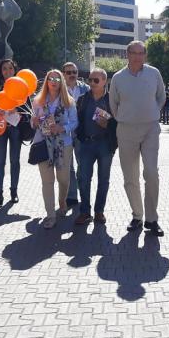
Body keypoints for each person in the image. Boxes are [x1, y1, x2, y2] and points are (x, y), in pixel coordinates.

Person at [109, 40, 166, 236]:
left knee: (151, 173)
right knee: (130, 177)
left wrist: (152, 113)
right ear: (127, 55)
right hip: (126, 130)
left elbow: (161, 97)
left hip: (150, 128)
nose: (137, 56)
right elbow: (113, 104)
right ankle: (137, 215)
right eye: (133, 53)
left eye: (141, 53)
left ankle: (152, 219)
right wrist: (125, 118)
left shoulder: (154, 73)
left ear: (145, 55)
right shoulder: (118, 78)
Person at [31, 69, 78, 229]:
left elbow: (74, 122)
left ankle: (62, 200)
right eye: (50, 78)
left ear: (61, 82)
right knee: (47, 181)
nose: (53, 81)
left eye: (57, 79)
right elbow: (33, 122)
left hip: (63, 144)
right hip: (43, 144)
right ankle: (50, 215)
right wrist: (35, 121)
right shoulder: (38, 101)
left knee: (64, 179)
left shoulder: (68, 101)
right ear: (46, 81)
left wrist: (62, 128)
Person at [74, 68, 118, 225]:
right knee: (83, 178)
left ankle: (99, 211)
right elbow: (76, 120)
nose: (91, 83)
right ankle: (85, 211)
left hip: (105, 144)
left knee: (103, 180)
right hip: (86, 143)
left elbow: (119, 123)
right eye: (90, 80)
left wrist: (108, 124)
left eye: (96, 80)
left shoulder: (112, 100)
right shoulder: (82, 99)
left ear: (104, 81)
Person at [0, 60, 24, 206]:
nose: (8, 71)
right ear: (0, 71)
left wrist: (17, 109)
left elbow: (27, 106)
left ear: (15, 70)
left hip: (15, 127)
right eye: (4, 69)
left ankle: (14, 191)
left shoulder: (21, 86)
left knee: (15, 160)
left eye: (10, 68)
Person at [62, 61, 90, 208]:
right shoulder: (59, 89)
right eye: (69, 72)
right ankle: (71, 195)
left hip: (81, 133)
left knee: (82, 165)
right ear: (63, 74)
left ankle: (83, 191)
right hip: (65, 133)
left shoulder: (86, 89)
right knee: (68, 166)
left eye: (74, 72)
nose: (72, 75)